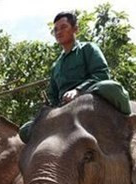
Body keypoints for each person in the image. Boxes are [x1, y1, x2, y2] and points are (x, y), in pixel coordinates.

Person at [19, 11, 130, 141]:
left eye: (63, 27)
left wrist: (78, 90)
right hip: (64, 107)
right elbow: (53, 95)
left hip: (90, 94)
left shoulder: (88, 48)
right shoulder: (56, 66)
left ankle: (129, 122)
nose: (58, 32)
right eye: (55, 30)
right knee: (25, 131)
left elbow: (101, 74)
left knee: (111, 87)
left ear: (75, 29)